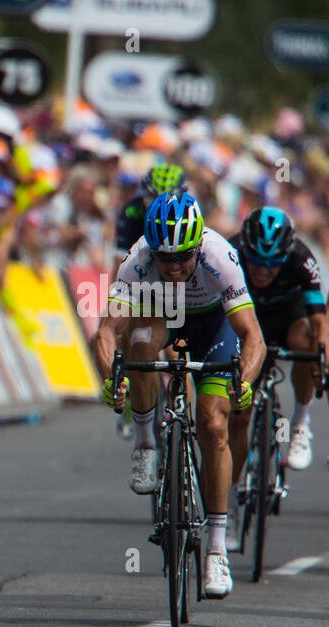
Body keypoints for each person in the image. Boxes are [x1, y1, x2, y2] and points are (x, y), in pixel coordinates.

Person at [94, 192, 266, 599]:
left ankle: (217, 550)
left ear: (197, 246)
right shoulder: (138, 258)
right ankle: (145, 442)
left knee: (211, 422)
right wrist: (110, 377)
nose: (172, 268)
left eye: (181, 259)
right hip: (163, 315)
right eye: (164, 259)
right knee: (137, 341)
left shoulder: (220, 256)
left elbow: (252, 335)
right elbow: (106, 331)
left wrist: (244, 380)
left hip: (213, 328)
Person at [226, 207, 328, 503]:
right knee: (239, 414)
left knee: (307, 341)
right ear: (246, 250)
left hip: (288, 316)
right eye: (256, 261)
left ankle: (299, 424)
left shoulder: (301, 258)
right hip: (247, 320)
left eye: (272, 264)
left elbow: (321, 322)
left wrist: (320, 363)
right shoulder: (230, 252)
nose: (262, 270)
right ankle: (229, 498)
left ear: (285, 255)